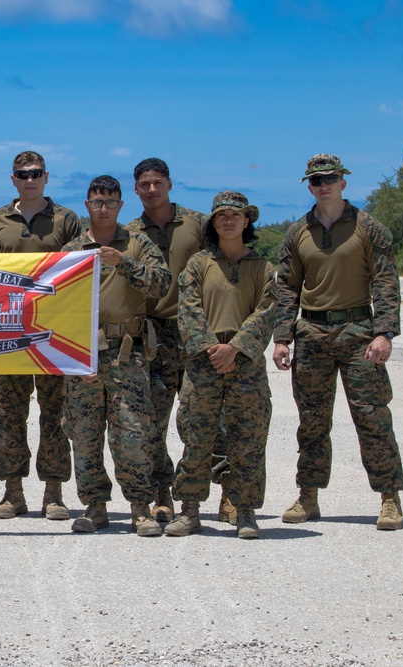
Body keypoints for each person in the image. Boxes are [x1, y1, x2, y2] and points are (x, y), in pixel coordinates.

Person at [273, 154, 403, 530]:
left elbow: (385, 281)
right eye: (315, 180)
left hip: (358, 330)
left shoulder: (369, 227)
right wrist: (282, 338)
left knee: (372, 417)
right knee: (311, 422)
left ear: (343, 182)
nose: (323, 185)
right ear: (309, 186)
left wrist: (385, 332)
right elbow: (287, 288)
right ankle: (308, 496)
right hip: (311, 334)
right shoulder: (298, 231)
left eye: (329, 178)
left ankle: (389, 498)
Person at [61, 176, 171, 536]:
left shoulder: (137, 244)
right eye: (97, 202)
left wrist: (123, 263)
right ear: (87, 206)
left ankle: (140, 508)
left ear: (121, 206)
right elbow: (54, 305)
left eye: (110, 202)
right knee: (85, 433)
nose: (103, 208)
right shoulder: (72, 250)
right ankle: (94, 507)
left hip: (128, 354)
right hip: (83, 356)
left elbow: (162, 284)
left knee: (133, 434)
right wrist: (74, 356)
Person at [166, 191, 276, 539]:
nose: (228, 220)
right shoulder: (198, 264)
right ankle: (190, 510)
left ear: (247, 221)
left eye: (236, 215)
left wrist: (238, 348)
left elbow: (267, 312)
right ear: (213, 223)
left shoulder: (262, 267)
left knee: (248, 438)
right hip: (204, 361)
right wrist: (213, 349)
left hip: (246, 363)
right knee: (197, 438)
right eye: (221, 215)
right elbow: (188, 309)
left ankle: (244, 511)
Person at [0, 150, 83, 520]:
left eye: (36, 173)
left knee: (54, 414)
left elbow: (80, 271)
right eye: (22, 174)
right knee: (9, 413)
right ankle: (12, 491)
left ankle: (53, 492)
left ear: (46, 176)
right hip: (6, 331)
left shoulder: (67, 220)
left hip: (53, 333)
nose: (29, 180)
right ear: (13, 179)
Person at [124, 158, 212, 524]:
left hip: (196, 332)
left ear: (170, 184)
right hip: (153, 335)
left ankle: (220, 495)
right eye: (144, 184)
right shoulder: (129, 233)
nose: (151, 190)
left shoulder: (199, 224)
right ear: (136, 189)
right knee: (153, 422)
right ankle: (162, 493)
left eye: (157, 182)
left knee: (205, 420)